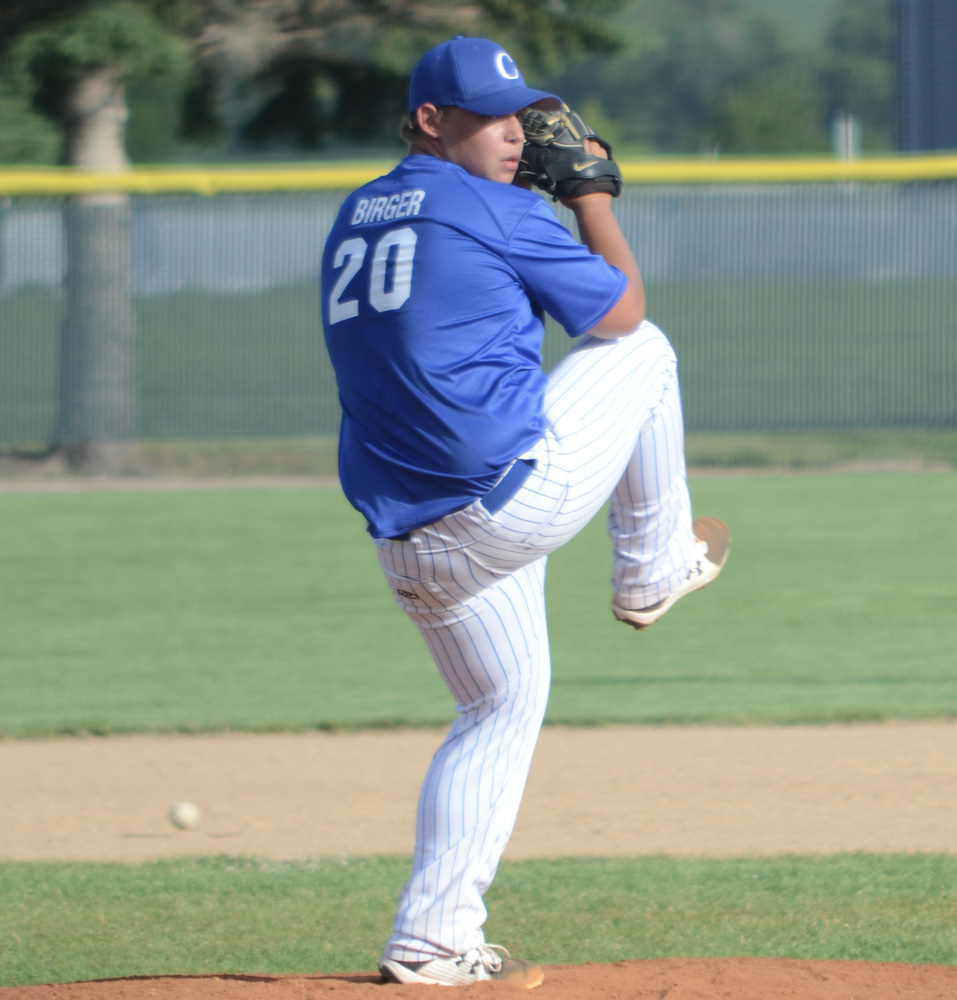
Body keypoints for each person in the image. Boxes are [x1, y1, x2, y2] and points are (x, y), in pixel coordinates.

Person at [320, 36, 730, 990]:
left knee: (496, 711)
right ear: (430, 121)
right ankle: (653, 564)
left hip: (411, 538)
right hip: (504, 507)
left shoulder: (358, 211)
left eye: (519, 112)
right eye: (489, 115)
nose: (515, 133)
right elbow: (619, 313)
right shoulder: (488, 207)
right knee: (646, 352)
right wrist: (591, 195)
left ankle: (432, 940)